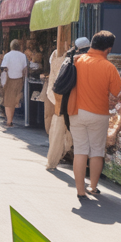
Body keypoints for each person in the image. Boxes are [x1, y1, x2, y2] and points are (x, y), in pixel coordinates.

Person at [68, 31, 121, 200]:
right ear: (108, 49)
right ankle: (93, 187)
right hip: (98, 113)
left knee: (80, 151)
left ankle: (80, 190)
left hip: (76, 111)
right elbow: (117, 92)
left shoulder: (78, 61)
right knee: (97, 151)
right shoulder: (109, 67)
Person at [45, 36, 90, 171]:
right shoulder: (87, 62)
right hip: (78, 104)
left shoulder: (63, 59)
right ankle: (82, 165)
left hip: (62, 102)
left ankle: (51, 162)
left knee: (58, 133)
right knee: (80, 136)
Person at [0, 39, 29, 126]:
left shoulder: (7, 55)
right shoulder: (23, 56)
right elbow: (25, 69)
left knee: (8, 101)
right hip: (20, 79)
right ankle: (10, 119)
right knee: (14, 100)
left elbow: (4, 67)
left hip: (10, 79)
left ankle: (9, 121)